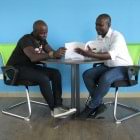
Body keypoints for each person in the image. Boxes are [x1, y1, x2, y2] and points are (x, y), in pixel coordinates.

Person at [6, 20, 76, 118]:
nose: (45, 35)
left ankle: (58, 106)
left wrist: (59, 52)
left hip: (29, 68)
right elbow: (33, 57)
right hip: (14, 70)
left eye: (46, 32)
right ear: (34, 31)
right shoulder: (26, 39)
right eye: (42, 33)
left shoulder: (42, 40)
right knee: (43, 78)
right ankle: (54, 110)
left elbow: (52, 53)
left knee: (55, 73)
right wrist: (52, 54)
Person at [75, 13, 133, 118]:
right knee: (87, 74)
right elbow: (99, 52)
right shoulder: (100, 37)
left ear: (108, 25)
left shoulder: (117, 37)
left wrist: (89, 54)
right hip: (108, 66)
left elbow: (110, 55)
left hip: (125, 68)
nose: (97, 28)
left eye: (100, 25)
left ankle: (91, 107)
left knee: (105, 78)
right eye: (96, 24)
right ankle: (99, 104)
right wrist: (90, 51)